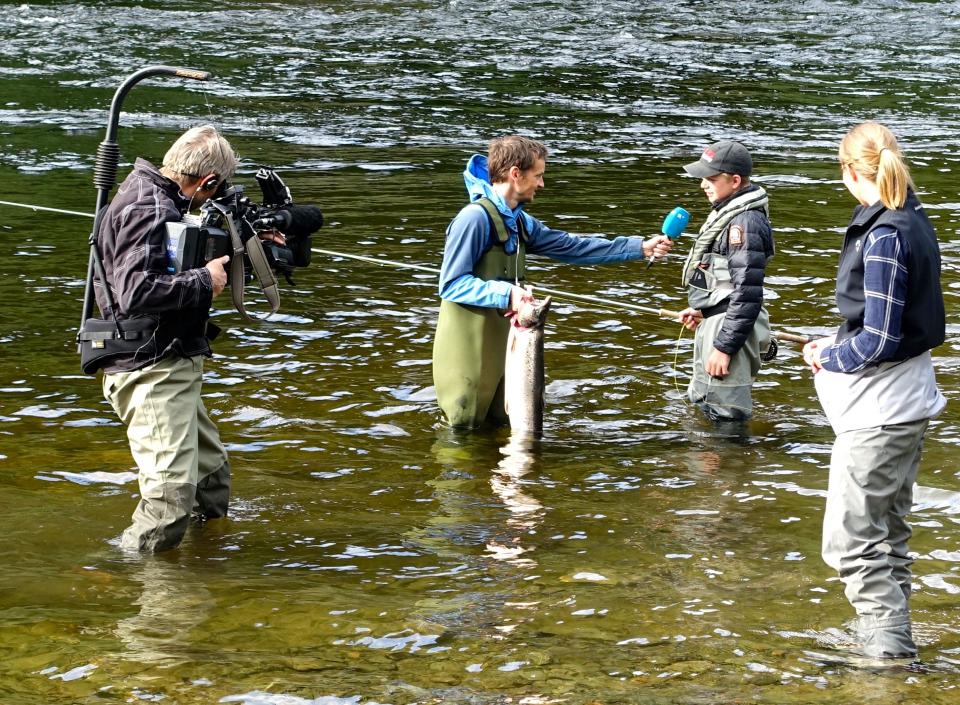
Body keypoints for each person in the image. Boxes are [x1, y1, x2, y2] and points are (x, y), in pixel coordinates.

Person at [802, 121, 946, 660]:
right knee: (890, 532)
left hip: (880, 415)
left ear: (848, 171)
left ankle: (887, 656)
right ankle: (892, 636)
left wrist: (826, 354)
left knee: (850, 542)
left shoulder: (885, 234)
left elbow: (880, 338)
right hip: (911, 404)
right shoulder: (912, 216)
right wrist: (838, 341)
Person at [432, 135, 673, 429]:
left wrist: (639, 247)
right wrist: (508, 293)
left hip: (501, 348)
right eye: (539, 175)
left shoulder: (518, 222)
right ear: (516, 174)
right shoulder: (473, 219)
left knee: (500, 429)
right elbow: (452, 284)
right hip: (466, 351)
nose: (542, 184)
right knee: (462, 434)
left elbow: (573, 246)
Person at [92, 124, 238, 552]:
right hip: (149, 367)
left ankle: (205, 560)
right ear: (207, 181)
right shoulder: (148, 207)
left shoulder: (162, 197)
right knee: (170, 497)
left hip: (170, 360)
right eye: (216, 189)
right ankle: (139, 587)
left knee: (210, 478)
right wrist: (203, 280)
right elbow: (135, 292)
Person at [677, 140, 775, 422]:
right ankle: (717, 466)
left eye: (710, 178)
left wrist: (724, 347)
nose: (703, 185)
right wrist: (704, 310)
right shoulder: (730, 214)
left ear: (734, 181)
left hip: (727, 331)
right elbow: (728, 284)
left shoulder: (745, 223)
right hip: (718, 322)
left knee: (725, 416)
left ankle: (730, 463)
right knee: (703, 404)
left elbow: (747, 292)